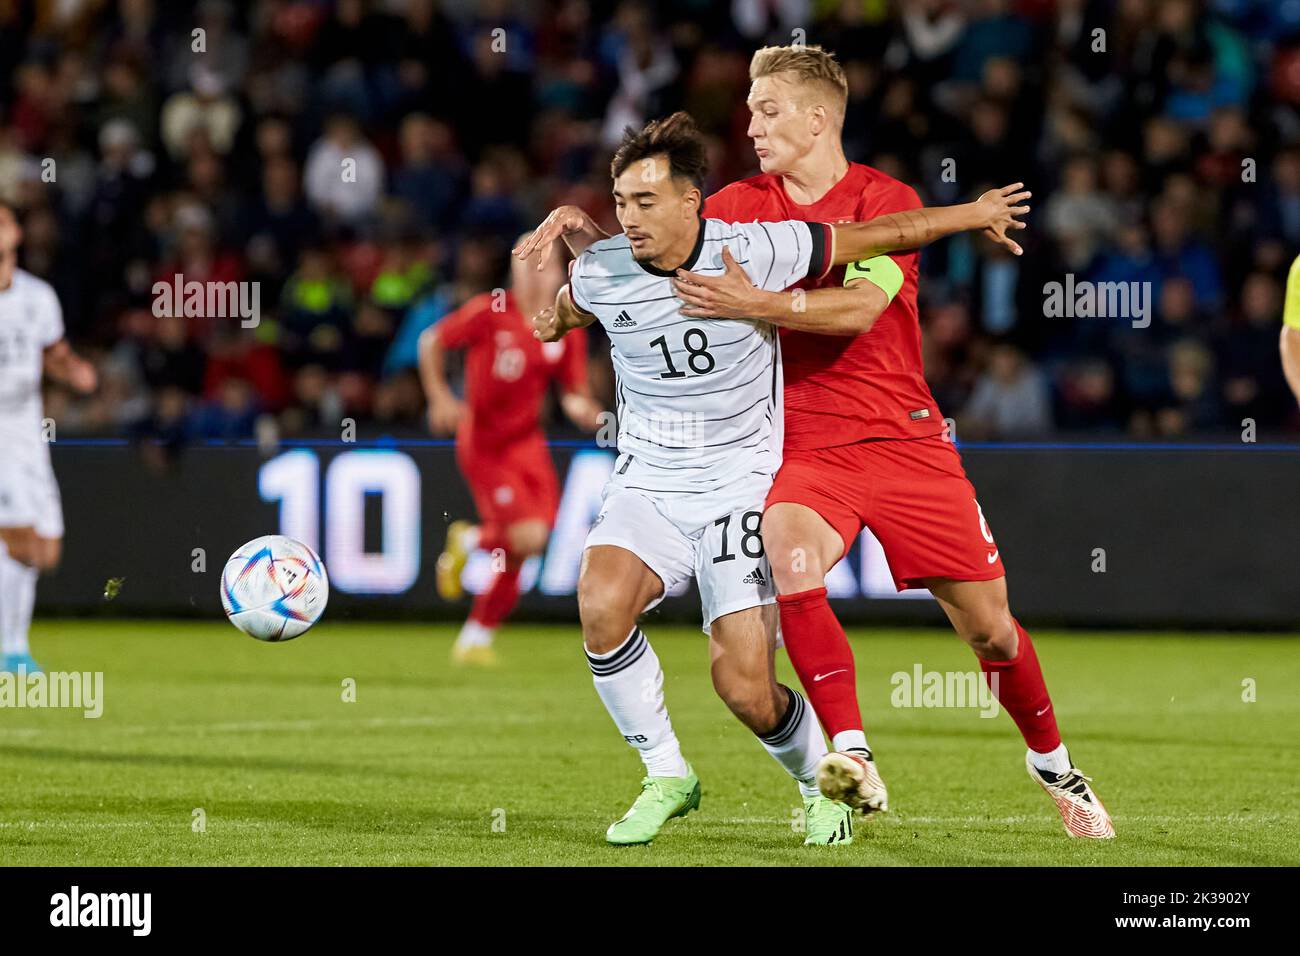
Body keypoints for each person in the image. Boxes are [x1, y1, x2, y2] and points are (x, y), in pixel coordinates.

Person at [523, 43, 1114, 841]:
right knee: (790, 558)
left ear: (817, 117)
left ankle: (1054, 766)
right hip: (798, 445)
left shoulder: (882, 199)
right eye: (751, 110)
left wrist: (756, 303)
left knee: (990, 629)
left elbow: (858, 312)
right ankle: (849, 757)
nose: (753, 124)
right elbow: (657, 259)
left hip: (905, 438)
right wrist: (596, 232)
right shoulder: (736, 203)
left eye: (768, 110)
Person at [418, 238, 601, 665]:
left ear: (560, 273)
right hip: (484, 443)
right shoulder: (490, 311)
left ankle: (475, 638)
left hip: (526, 443)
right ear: (514, 272)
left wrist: (590, 413)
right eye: (527, 264)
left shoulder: (563, 324)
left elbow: (573, 393)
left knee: (529, 545)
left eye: (544, 264)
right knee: (528, 536)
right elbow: (432, 341)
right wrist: (440, 397)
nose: (537, 273)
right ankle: (469, 537)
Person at [0, 199, 98, 674]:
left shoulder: (37, 296)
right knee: (18, 540)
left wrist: (74, 371)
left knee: (45, 549)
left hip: (27, 434)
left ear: (17, 233)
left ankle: (13, 647)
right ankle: (11, 651)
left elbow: (52, 353)